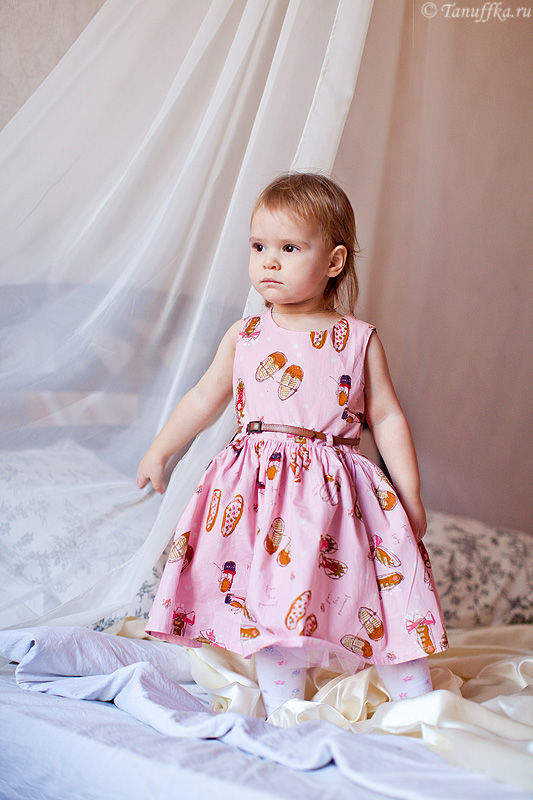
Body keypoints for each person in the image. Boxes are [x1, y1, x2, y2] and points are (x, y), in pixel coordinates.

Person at [137, 172, 448, 717]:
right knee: (272, 593)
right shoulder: (247, 335)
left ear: (334, 262)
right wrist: (160, 450)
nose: (269, 263)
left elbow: (386, 417)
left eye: (288, 248)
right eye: (258, 247)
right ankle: (286, 711)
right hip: (259, 492)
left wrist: (411, 495)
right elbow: (203, 398)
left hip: (337, 494)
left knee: (384, 583)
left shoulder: (357, 338)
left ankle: (416, 703)